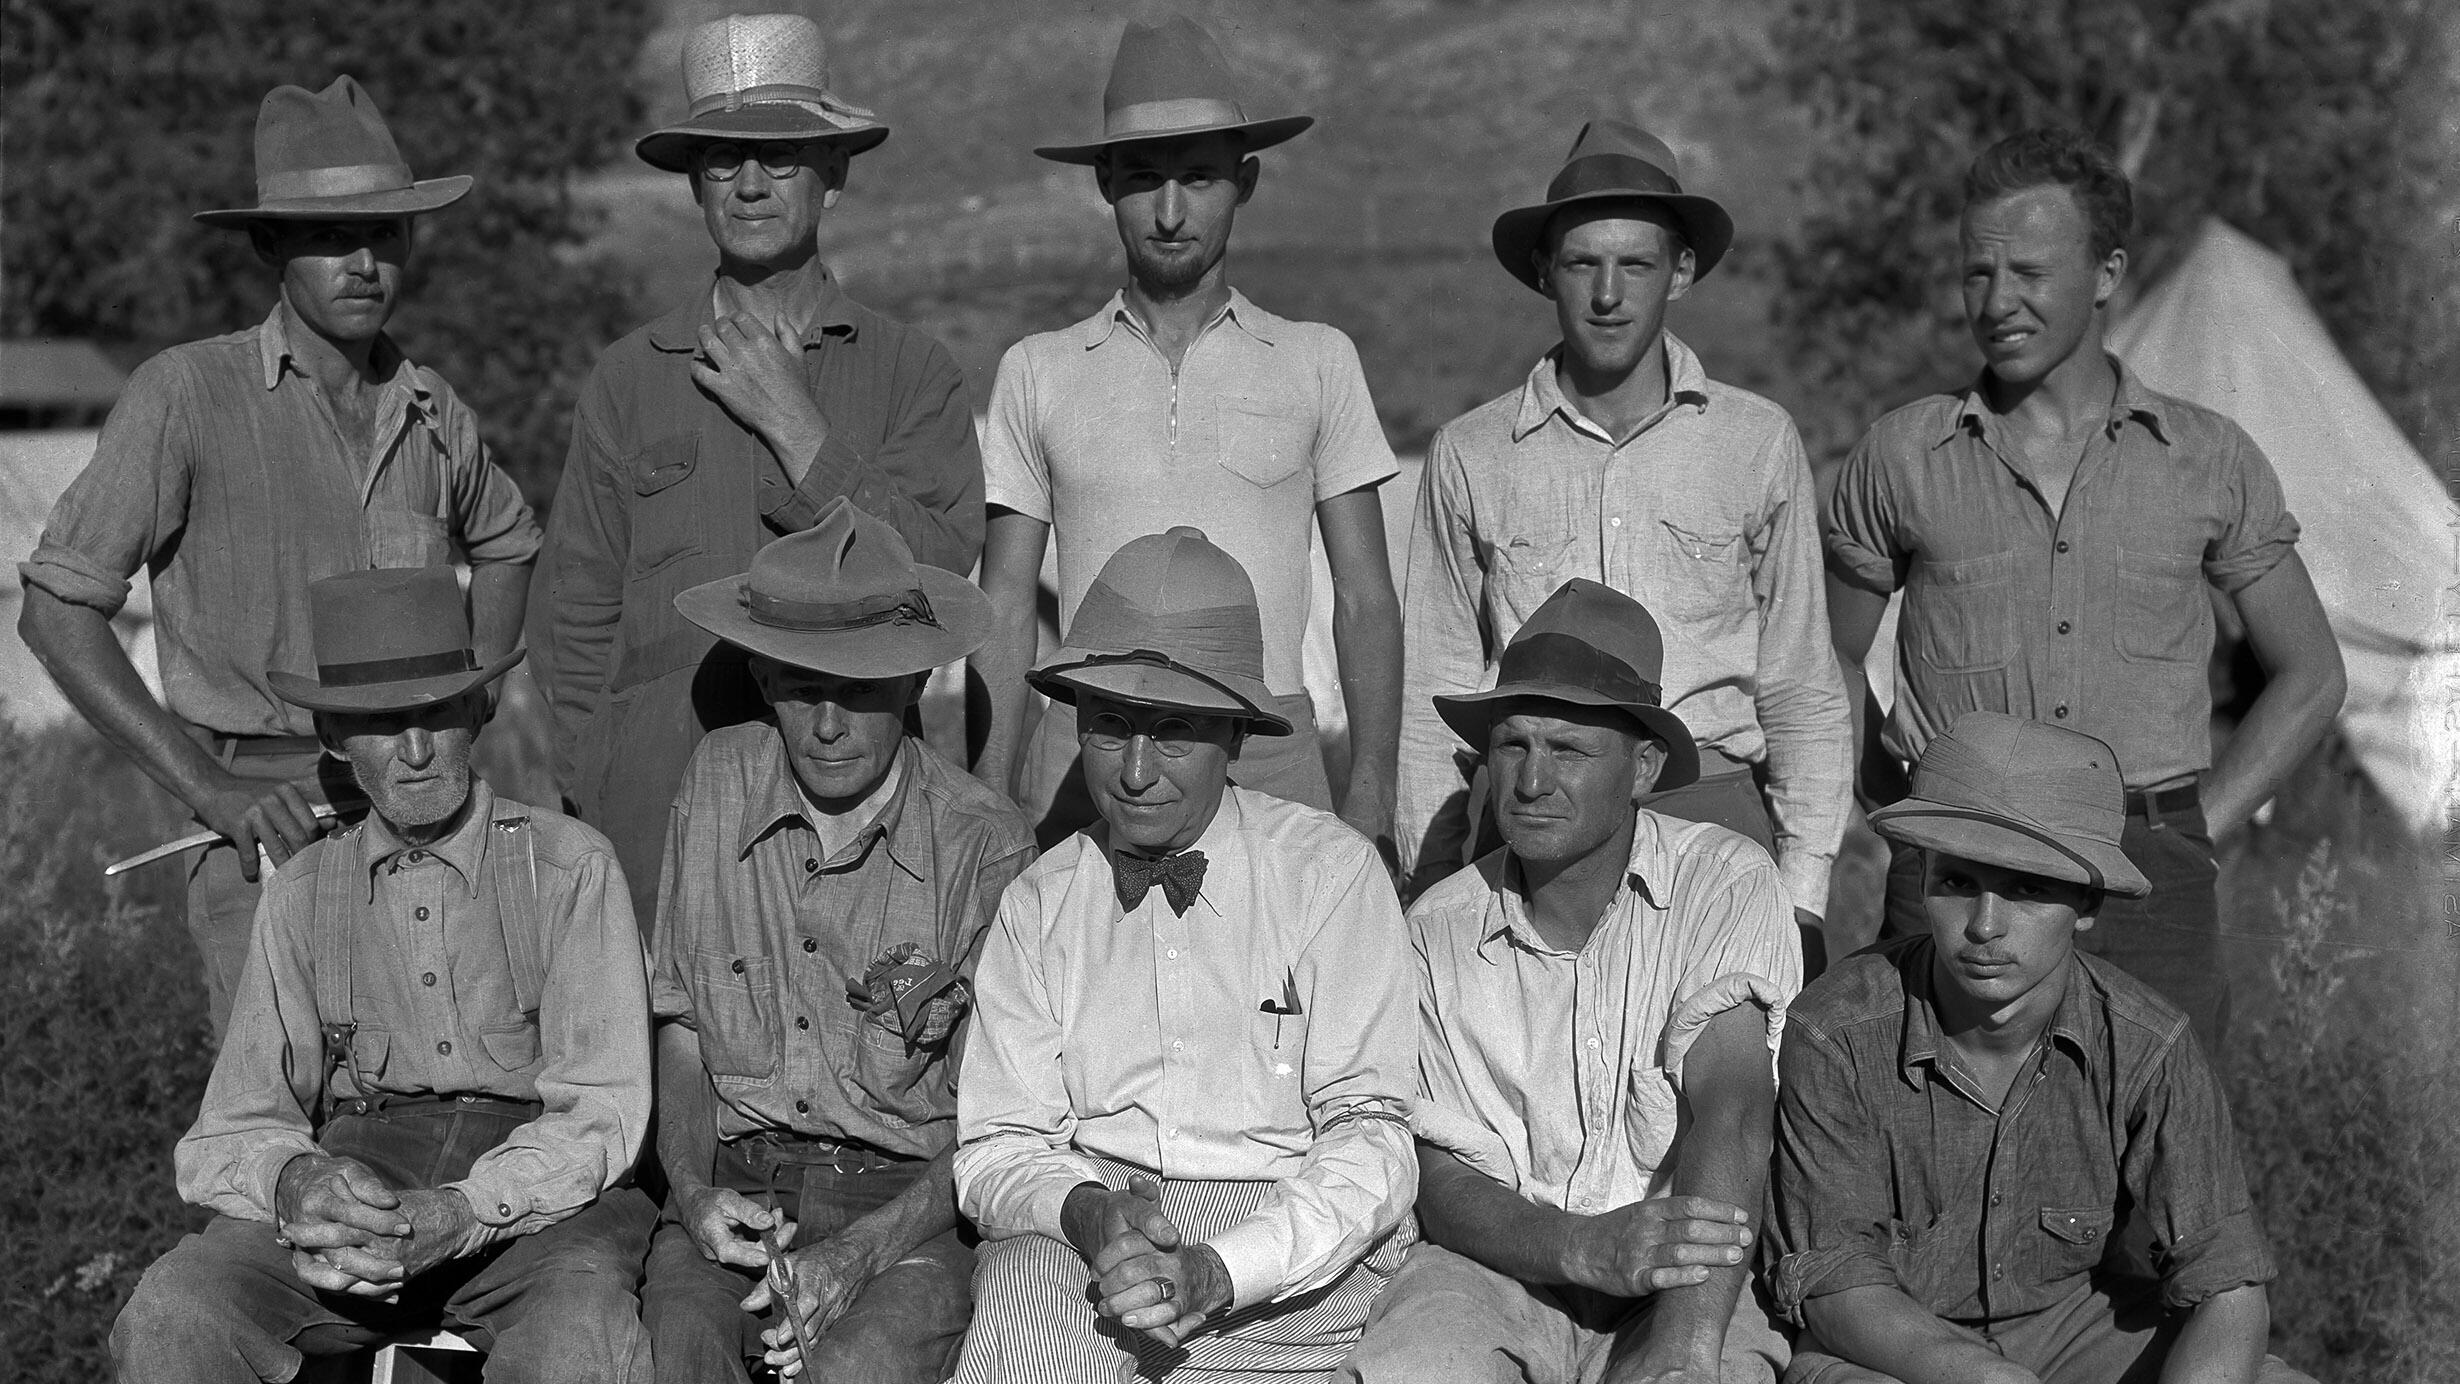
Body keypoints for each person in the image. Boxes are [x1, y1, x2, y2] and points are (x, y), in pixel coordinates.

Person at [18, 76, 538, 1036]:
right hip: (266, 814)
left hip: (427, 804)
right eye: (331, 237)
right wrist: (211, 791)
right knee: (273, 1135)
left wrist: (473, 700)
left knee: (440, 1099)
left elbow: (508, 541)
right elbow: (56, 614)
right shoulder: (185, 396)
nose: (365, 263)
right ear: (268, 246)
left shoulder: (433, 411)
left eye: (387, 235)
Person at [1823, 128, 2344, 1048]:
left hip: (2146, 882)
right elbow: (1820, 658)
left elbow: (2312, 675)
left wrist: (2190, 837)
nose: (1997, 302)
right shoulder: (1903, 455)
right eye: (1977, 275)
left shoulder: (2206, 456)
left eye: (2028, 271)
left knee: (2160, 1170)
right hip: (1954, 875)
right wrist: (1897, 809)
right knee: (1928, 1152)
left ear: (2107, 274)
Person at [109, 567, 654, 1383]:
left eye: (436, 713)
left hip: (542, 1207)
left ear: (479, 708)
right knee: (173, 1311)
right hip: (362, 1195)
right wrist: (298, 1181)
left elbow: (605, 1112)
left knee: (580, 1331)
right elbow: (233, 1124)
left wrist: (465, 1212)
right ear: (332, 733)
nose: (415, 750)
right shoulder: (299, 893)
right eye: (380, 722)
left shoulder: (568, 867)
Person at [531, 12, 983, 930]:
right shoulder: (628, 377)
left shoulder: (910, 370)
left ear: (835, 171)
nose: (747, 185)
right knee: (672, 1061)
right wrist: (604, 776)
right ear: (694, 182)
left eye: (778, 158)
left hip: (863, 819)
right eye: (721, 160)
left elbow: (939, 566)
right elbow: (574, 614)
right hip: (660, 820)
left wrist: (801, 428)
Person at [953, 528, 1418, 1381]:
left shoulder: (1329, 877)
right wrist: (1091, 1215)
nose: (1134, 773)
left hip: (1291, 1250)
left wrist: (1217, 1267)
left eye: (1171, 734)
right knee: (1022, 1300)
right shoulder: (1042, 903)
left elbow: (1372, 1139)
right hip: (1089, 1242)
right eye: (1109, 728)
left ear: (1235, 739)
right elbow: (997, 1144)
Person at [1398, 122, 1849, 954]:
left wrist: (1805, 895)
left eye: (1636, 264)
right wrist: (1430, 885)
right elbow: (1438, 686)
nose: (1608, 294)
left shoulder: (1755, 441)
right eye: (1582, 264)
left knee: (1714, 1076)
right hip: (1533, 819)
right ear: (1544, 272)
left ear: (1680, 271)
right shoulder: (1472, 452)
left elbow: (1801, 684)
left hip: (1710, 808)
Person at [1766, 710, 2315, 1384]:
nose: (1985, 926)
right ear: (1925, 879)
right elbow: (1836, 1289)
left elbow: (2227, 1282)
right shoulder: (1837, 1032)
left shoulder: (2148, 1044)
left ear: (2086, 905)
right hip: (1891, 1345)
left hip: (2077, 1331)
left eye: (2027, 890)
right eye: (1957, 882)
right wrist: (1987, 1377)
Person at [971, 16, 1404, 855]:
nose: (1170, 213)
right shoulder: (1038, 369)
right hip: (1085, 756)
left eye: (1199, 178)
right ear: (1105, 182)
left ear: (1246, 181)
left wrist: (1373, 798)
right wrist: (988, 801)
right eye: (1143, 179)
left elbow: (1365, 599)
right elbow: (1006, 599)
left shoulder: (1317, 361)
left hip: (1271, 752)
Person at [1347, 579, 1796, 1383]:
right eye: (1513, 744)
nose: (1530, 781)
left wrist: (1686, 1356)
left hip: (1678, 1277)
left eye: (1569, 750)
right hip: (1495, 1271)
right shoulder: (1434, 930)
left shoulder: (1724, 882)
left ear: (1645, 767)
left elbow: (1734, 1113)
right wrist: (1580, 1247)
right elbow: (1440, 1174)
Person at [641, 499, 1036, 1383]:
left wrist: (857, 1254)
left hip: (907, 1210)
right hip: (737, 1185)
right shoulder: (713, 784)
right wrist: (693, 1190)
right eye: (800, 688)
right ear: (763, 678)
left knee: (855, 1369)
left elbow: (997, 1124)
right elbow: (682, 1031)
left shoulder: (985, 844)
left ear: (912, 684)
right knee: (679, 1347)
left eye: (859, 692)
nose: (827, 726)